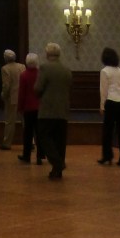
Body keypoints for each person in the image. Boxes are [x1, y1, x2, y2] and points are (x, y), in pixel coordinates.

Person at [34, 42, 72, 180]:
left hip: (47, 110)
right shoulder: (66, 70)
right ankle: (57, 171)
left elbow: (38, 88)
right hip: (63, 110)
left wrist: (38, 95)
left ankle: (57, 163)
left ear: (47, 54)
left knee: (43, 137)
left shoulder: (45, 68)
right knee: (60, 141)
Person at [98, 46, 120, 167]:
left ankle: (107, 156)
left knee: (108, 131)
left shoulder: (104, 71)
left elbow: (103, 90)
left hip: (111, 101)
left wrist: (102, 105)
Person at [17, 52, 43, 164]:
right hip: (40, 107)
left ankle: (26, 156)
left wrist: (20, 107)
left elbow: (21, 93)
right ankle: (40, 156)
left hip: (28, 108)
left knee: (28, 133)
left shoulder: (23, 75)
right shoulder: (41, 74)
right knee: (39, 132)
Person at [0, 49, 24, 151]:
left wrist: (3, 95)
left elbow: (6, 85)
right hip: (22, 97)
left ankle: (7, 143)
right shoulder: (22, 66)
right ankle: (31, 142)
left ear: (5, 58)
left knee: (10, 121)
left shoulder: (5, 69)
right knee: (25, 121)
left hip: (12, 98)